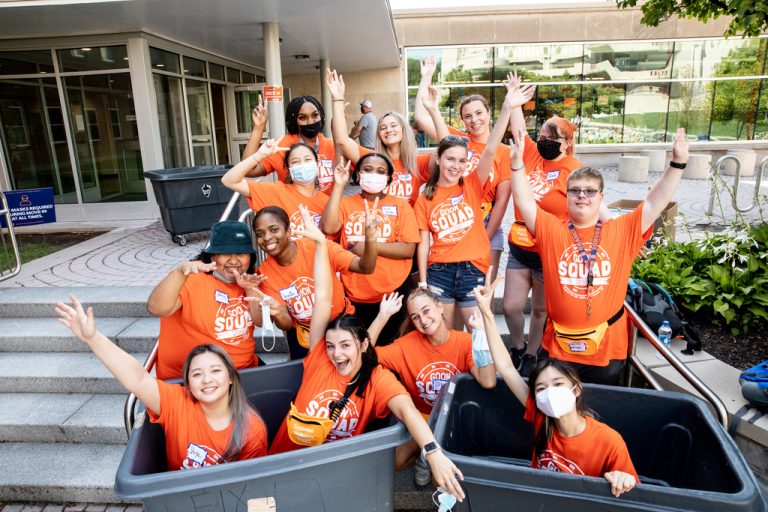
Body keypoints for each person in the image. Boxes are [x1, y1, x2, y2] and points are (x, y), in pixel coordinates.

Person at [267, 204, 467, 504]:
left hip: (335, 478)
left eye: (345, 345)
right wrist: (321, 243)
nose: (335, 354)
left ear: (363, 346)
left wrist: (433, 451)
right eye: (331, 345)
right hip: (283, 469)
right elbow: (322, 298)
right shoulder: (318, 358)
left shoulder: (377, 378)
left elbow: (407, 410)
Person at [508, 126, 690, 385]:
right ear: (566, 196)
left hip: (605, 350)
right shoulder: (550, 228)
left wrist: (678, 163)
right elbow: (525, 201)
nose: (582, 195)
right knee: (555, 413)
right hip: (558, 346)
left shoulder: (622, 230)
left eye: (590, 191)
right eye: (575, 190)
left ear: (601, 197)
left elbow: (653, 202)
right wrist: (517, 166)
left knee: (600, 411)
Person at [470, 271, 638, 498]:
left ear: (576, 389)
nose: (549, 393)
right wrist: (486, 313)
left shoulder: (608, 441)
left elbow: (629, 485)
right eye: (541, 388)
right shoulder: (542, 419)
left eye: (558, 384)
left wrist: (623, 479)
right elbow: (507, 368)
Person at [55, 299, 268, 470]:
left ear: (231, 377)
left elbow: (251, 483)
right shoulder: (177, 401)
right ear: (188, 385)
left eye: (215, 370)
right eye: (196, 374)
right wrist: (93, 339)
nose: (206, 379)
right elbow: (137, 378)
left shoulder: (252, 428)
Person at [370, 287, 497, 484]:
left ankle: (429, 454)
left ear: (440, 307)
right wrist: (382, 316)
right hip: (421, 418)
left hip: (453, 418)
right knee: (394, 462)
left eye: (426, 311)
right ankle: (426, 450)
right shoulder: (406, 345)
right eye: (415, 316)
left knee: (445, 481)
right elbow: (362, 358)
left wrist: (480, 335)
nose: (423, 319)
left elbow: (488, 381)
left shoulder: (464, 342)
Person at [414, 55, 512, 283]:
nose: (474, 119)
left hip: (486, 222)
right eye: (467, 116)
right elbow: (422, 116)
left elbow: (503, 200)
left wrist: (483, 236)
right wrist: (426, 77)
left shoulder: (503, 152)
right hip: (451, 218)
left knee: (482, 292)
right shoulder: (458, 141)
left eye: (479, 113)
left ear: (489, 114)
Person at [252, 204, 378, 359]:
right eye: (259, 234)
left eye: (274, 229)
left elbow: (365, 267)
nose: (266, 237)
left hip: (341, 324)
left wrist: (371, 238)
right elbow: (284, 324)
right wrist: (278, 312)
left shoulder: (318, 246)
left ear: (289, 231)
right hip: (304, 337)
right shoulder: (265, 273)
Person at [413, 87, 494, 328]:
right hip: (439, 270)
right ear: (438, 159)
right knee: (443, 331)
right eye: (450, 159)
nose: (455, 166)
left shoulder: (471, 185)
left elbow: (490, 150)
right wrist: (423, 281)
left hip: (472, 269)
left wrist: (510, 106)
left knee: (479, 331)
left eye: (462, 161)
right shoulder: (424, 197)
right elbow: (424, 243)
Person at [320, 152, 420, 345]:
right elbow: (328, 228)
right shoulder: (345, 204)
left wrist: (370, 245)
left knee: (392, 349)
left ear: (389, 178)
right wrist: (339, 186)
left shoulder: (400, 206)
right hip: (355, 294)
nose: (374, 174)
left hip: (394, 292)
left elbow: (408, 249)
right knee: (361, 348)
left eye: (380, 171)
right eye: (367, 169)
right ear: (357, 174)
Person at [146, 221, 263, 380]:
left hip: (244, 372)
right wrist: (180, 271)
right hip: (193, 381)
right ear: (213, 255)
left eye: (241, 253)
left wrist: (250, 288)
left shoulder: (250, 277)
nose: (234, 261)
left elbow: (260, 320)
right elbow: (156, 308)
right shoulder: (192, 277)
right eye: (226, 253)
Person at [327, 69, 430, 205]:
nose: (388, 130)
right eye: (383, 127)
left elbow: (446, 145)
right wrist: (337, 99)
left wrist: (426, 77)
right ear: (379, 134)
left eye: (393, 125)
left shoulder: (419, 162)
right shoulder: (371, 159)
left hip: (407, 223)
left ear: (404, 129)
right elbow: (342, 140)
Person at [222, 139, 328, 241]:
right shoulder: (276, 192)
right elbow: (229, 180)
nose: (302, 165)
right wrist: (259, 156)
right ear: (288, 168)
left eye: (307, 159)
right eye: (295, 161)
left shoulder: (328, 203)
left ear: (317, 163)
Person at [241, 97, 336, 193]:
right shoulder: (281, 145)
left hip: (328, 206)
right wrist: (259, 127)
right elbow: (248, 170)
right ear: (294, 120)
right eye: (303, 117)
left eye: (315, 115)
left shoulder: (332, 145)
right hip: (292, 206)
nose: (310, 121)